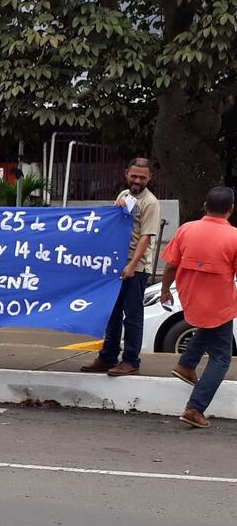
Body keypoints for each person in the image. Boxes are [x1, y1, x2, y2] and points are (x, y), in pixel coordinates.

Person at [158, 186, 237, 428]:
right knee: (222, 358)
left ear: (205, 206)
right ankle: (195, 408)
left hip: (190, 296)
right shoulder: (234, 236)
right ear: (230, 210)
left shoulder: (186, 229)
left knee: (207, 326)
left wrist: (164, 290)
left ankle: (186, 364)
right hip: (219, 301)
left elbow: (171, 266)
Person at [80, 157, 161, 376]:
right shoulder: (123, 196)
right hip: (116, 265)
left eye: (142, 178)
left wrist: (133, 265)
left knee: (132, 315)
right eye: (134, 176)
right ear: (126, 174)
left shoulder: (150, 203)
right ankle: (108, 356)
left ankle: (131, 360)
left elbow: (146, 237)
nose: (137, 180)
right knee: (112, 313)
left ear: (150, 178)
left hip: (136, 268)